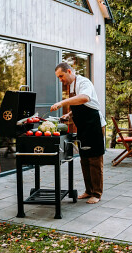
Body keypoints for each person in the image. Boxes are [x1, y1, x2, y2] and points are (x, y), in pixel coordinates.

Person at [51, 62, 105, 204]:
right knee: (84, 159)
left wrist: (62, 103)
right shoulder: (72, 86)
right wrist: (69, 114)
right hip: (83, 127)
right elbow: (79, 104)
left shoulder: (83, 82)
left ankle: (97, 193)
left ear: (69, 71)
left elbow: (85, 98)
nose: (60, 80)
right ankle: (88, 190)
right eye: (58, 77)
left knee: (94, 160)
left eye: (61, 76)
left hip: (94, 125)